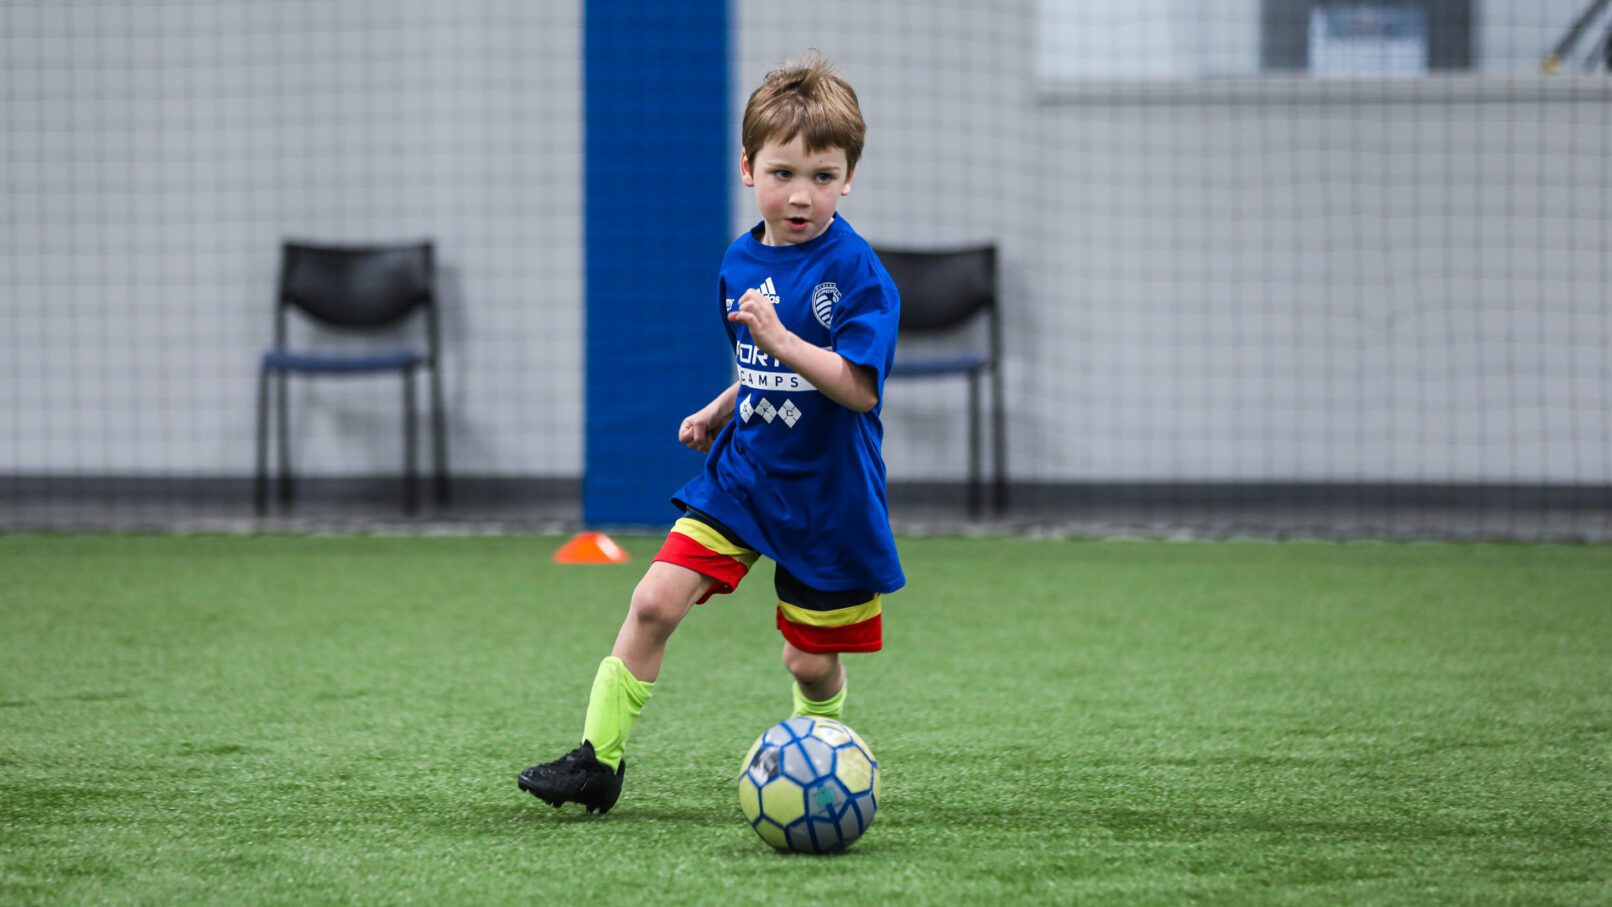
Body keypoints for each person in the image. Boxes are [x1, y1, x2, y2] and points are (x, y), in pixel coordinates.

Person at [519, 52, 903, 815]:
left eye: (823, 177)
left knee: (809, 659)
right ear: (747, 167)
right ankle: (600, 759)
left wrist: (785, 340)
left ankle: (817, 751)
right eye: (783, 173)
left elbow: (857, 387)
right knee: (655, 598)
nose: (801, 195)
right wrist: (722, 407)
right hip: (745, 476)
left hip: (829, 496)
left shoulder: (858, 272)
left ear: (849, 177)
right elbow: (762, 361)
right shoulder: (739, 259)